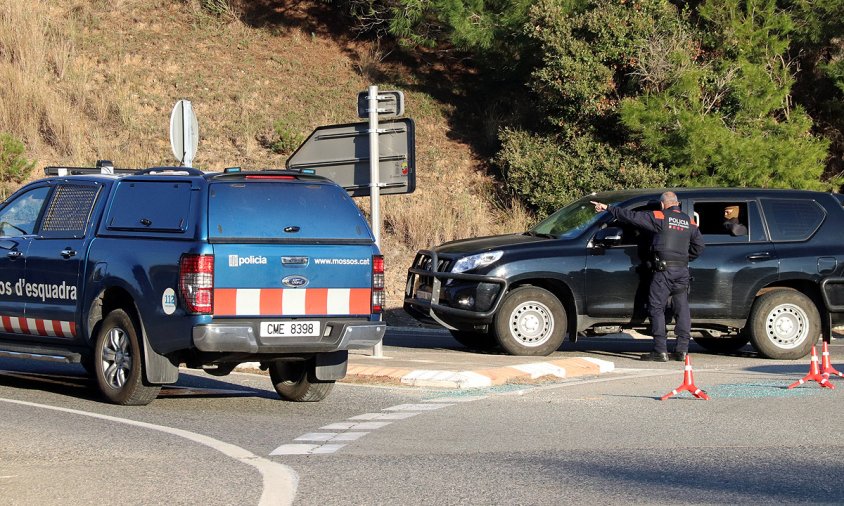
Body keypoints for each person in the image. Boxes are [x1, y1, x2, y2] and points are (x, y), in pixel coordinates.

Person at [591, 192, 705, 362]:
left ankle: (660, 351)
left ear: (662, 205)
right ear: (678, 204)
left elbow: (631, 216)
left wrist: (607, 208)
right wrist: (685, 258)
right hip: (682, 271)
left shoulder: (659, 216)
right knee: (682, 309)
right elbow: (699, 246)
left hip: (664, 272)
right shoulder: (689, 221)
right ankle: (682, 350)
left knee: (656, 308)